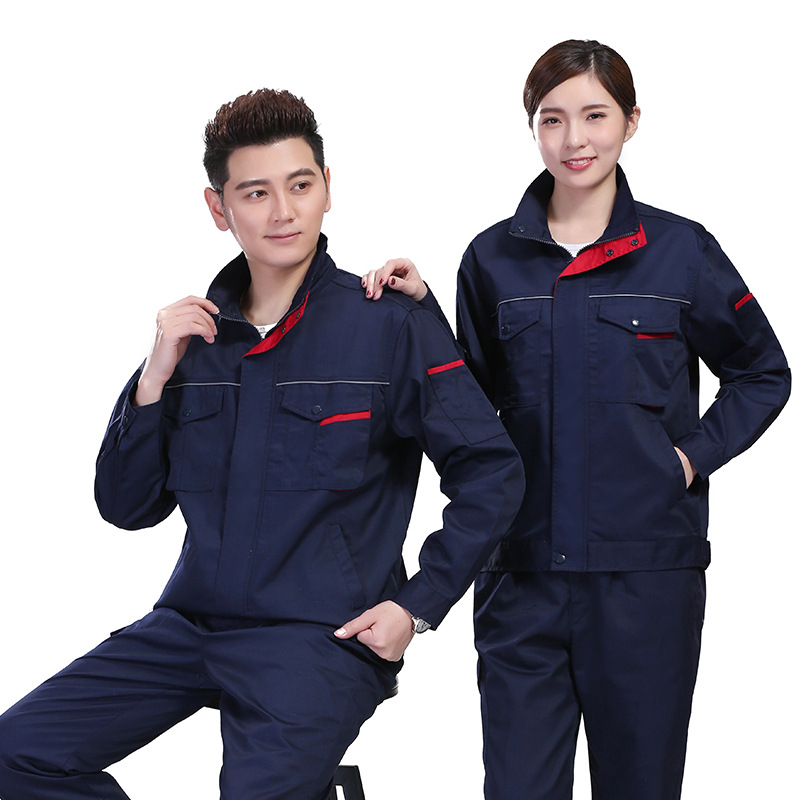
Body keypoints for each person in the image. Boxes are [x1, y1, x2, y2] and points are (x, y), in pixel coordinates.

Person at [0, 88, 524, 800]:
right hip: (190, 626)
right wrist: (153, 377)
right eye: (255, 193)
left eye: (300, 185)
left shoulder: (388, 325)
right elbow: (126, 507)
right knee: (16, 756)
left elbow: (491, 471)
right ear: (219, 208)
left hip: (318, 638)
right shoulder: (194, 341)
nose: (283, 212)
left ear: (327, 188)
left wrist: (416, 606)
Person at [362, 39, 790, 800]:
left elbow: (763, 373)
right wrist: (423, 312)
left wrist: (689, 457)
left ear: (631, 121)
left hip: (646, 579)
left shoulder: (681, 251)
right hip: (521, 574)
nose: (574, 139)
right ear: (532, 127)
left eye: (595, 115)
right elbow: (469, 404)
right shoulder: (491, 258)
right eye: (552, 119)